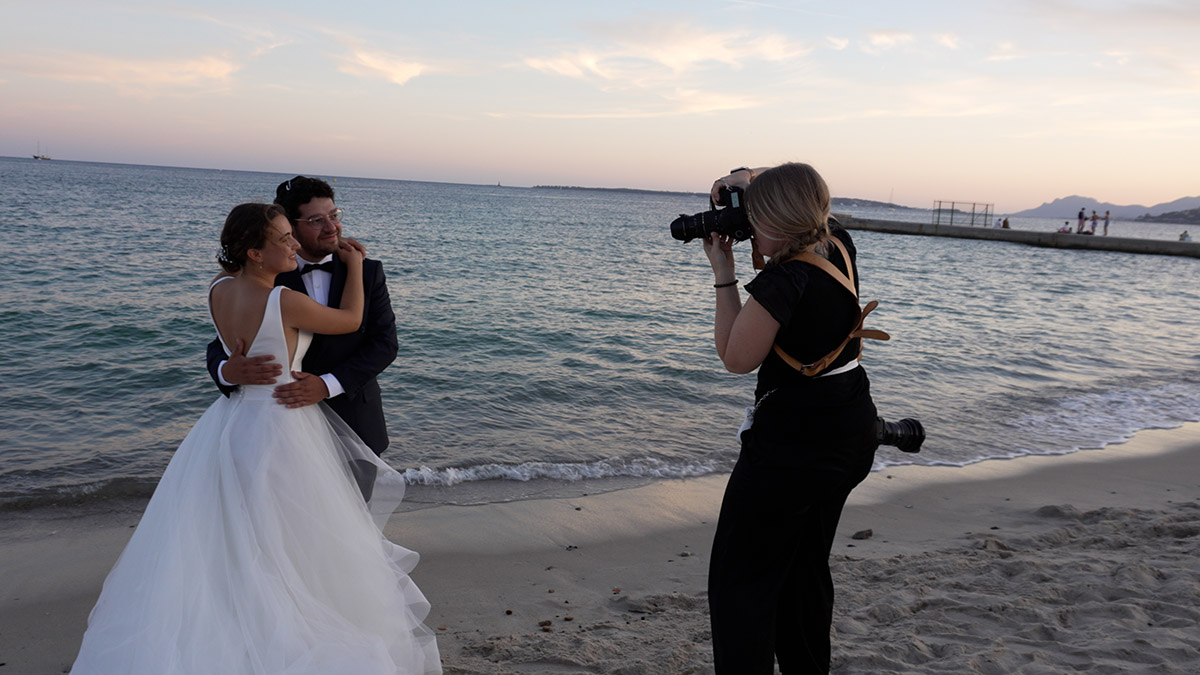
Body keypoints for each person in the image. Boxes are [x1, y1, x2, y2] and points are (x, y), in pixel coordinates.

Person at [72, 204, 440, 673]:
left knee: (232, 534)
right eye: (283, 239)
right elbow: (349, 321)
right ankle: (283, 633)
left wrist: (232, 365)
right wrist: (352, 265)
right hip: (281, 425)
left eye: (292, 236)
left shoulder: (218, 290)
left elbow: (238, 341)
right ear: (255, 252)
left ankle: (236, 627)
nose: (292, 245)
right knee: (290, 536)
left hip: (229, 426)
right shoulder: (283, 300)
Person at [701, 163, 881, 673]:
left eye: (753, 214)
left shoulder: (785, 279)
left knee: (741, 584)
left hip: (791, 455)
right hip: (849, 433)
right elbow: (802, 191)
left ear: (776, 220)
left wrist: (724, 273)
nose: (748, 224)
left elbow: (736, 357)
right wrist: (746, 178)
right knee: (803, 573)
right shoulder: (837, 242)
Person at [208, 176, 399, 499]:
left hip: (354, 419)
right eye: (316, 220)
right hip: (279, 431)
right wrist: (226, 371)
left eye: (334, 216)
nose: (332, 228)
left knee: (351, 531)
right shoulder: (264, 273)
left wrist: (327, 384)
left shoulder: (367, 271)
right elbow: (221, 340)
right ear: (289, 227)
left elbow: (385, 343)